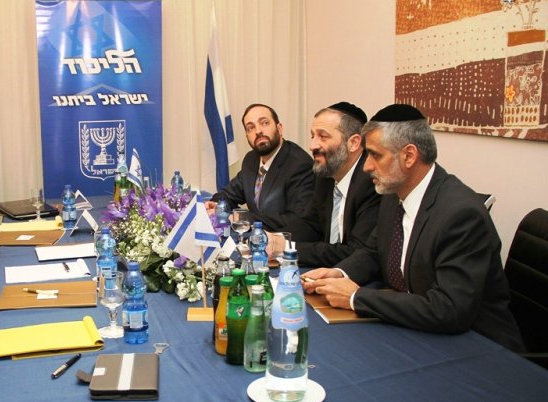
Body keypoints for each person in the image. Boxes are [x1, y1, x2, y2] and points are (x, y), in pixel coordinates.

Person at [303, 104, 523, 351]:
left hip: (480, 346)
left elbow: (449, 309)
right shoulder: (393, 193)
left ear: (409, 156)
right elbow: (373, 251)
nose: (366, 166)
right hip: (417, 328)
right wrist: (339, 274)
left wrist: (356, 297)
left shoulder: (461, 214)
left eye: (375, 155)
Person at [276, 102, 380, 266]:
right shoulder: (325, 173)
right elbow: (310, 224)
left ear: (353, 143)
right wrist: (277, 240)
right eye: (312, 136)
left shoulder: (373, 182)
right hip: (325, 269)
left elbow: (355, 253)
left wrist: (289, 247)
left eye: (323, 137)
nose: (312, 146)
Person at [205, 103, 314, 231]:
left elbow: (296, 222)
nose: (258, 131)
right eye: (250, 128)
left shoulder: (299, 165)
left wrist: (242, 217)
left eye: (264, 123)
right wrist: (217, 205)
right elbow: (230, 194)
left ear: (279, 128)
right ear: (247, 136)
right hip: (257, 242)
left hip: (286, 246)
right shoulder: (251, 159)